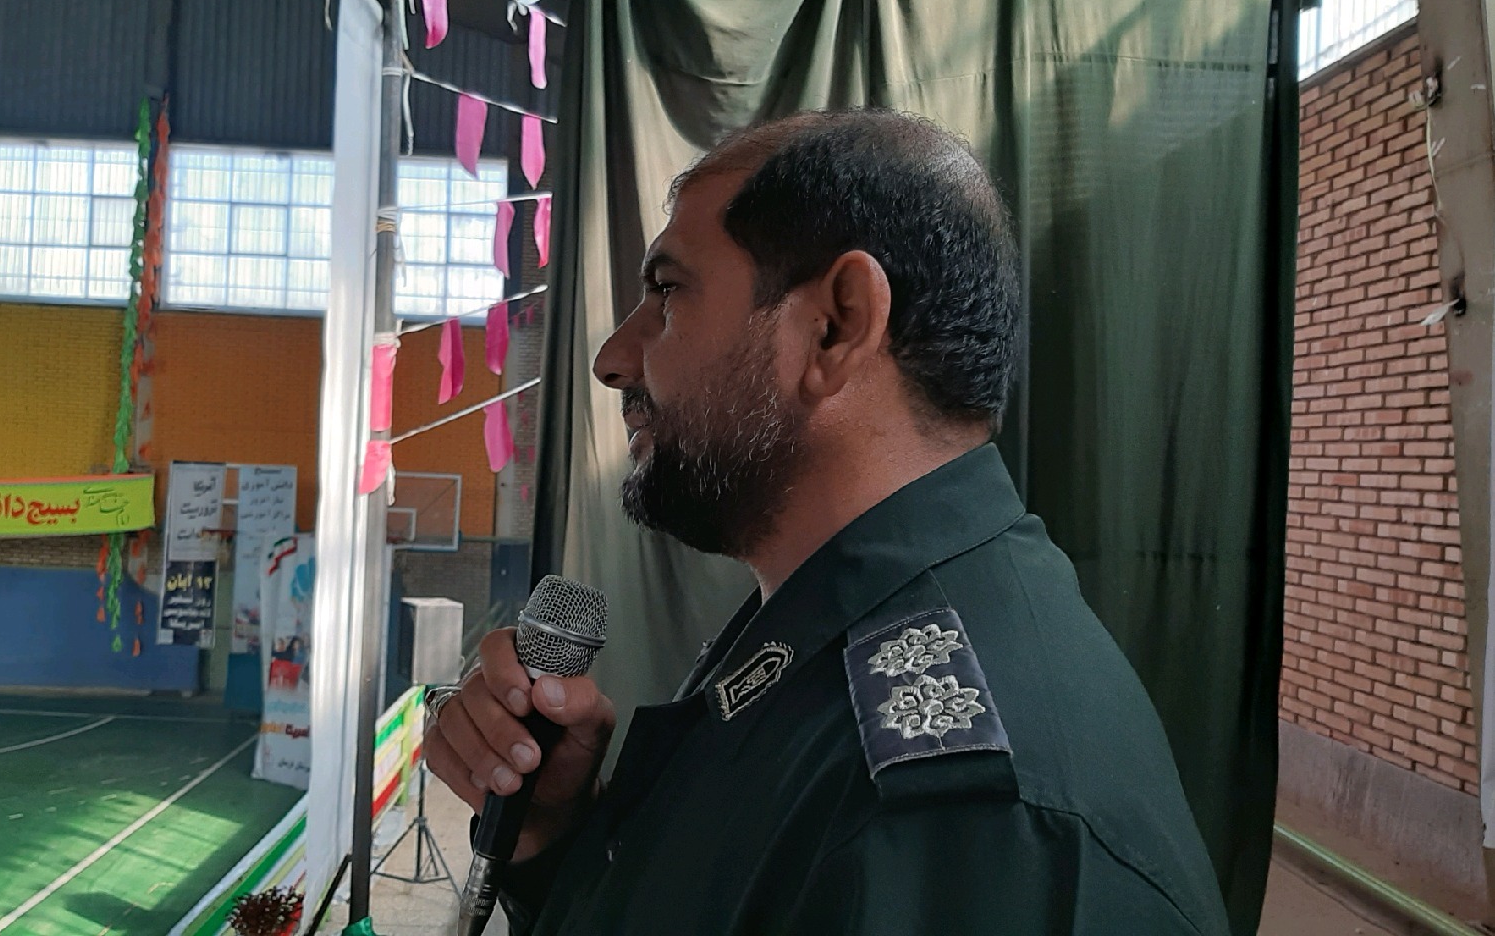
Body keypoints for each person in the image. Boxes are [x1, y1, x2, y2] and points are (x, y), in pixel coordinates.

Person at [423, 108, 1231, 935]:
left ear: (837, 326)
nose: (613, 359)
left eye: (668, 292)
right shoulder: (827, 630)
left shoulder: (964, 829)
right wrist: (555, 839)